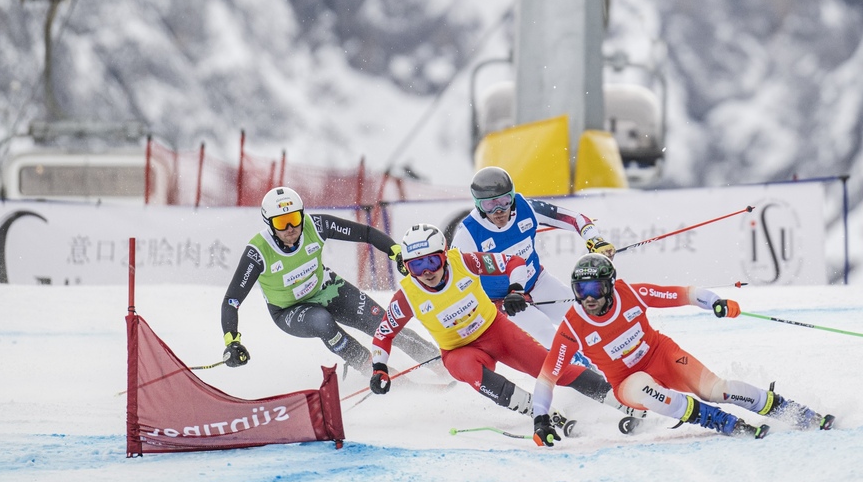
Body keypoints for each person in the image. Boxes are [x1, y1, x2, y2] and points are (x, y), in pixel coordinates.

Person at [530, 253, 836, 446]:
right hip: (627, 381)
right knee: (646, 389)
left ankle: (795, 412)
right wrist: (540, 419)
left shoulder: (631, 293)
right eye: (580, 291)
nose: (588, 298)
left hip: (662, 355)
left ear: (610, 286)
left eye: (595, 289)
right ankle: (716, 420)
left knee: (718, 389)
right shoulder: (572, 326)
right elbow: (547, 377)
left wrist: (716, 302)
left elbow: (684, 294)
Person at [369, 223, 640, 429]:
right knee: (468, 368)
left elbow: (515, 262)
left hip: (496, 331)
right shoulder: (407, 296)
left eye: (432, 261)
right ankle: (537, 411)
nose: (426, 271)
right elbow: (383, 335)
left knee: (551, 367)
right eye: (416, 265)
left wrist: (515, 288)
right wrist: (379, 368)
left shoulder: (462, 261)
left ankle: (622, 399)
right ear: (407, 267)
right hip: (459, 351)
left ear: (444, 255)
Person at [220, 186, 439, 375]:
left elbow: (366, 233)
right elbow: (231, 300)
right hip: (289, 310)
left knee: (382, 323)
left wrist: (396, 252)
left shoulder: (315, 225)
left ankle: (437, 360)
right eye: (282, 223)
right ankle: (371, 368)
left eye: (295, 219)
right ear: (269, 224)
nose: (291, 229)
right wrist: (232, 341)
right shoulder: (258, 252)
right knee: (323, 322)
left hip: (326, 288)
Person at [450, 166, 615, 351]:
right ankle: (589, 376)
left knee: (585, 318)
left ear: (512, 196)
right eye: (489, 205)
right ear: (478, 205)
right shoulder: (468, 233)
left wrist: (596, 241)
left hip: (537, 282)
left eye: (504, 201)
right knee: (547, 333)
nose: (498, 210)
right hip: (505, 302)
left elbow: (576, 219)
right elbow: (451, 276)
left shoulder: (526, 208)